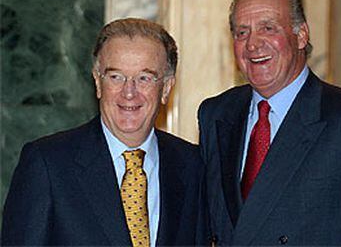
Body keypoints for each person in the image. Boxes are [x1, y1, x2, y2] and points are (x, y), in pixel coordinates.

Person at [198, 0, 341, 246]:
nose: (252, 44)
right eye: (242, 32)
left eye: (268, 27)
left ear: (301, 35)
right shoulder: (216, 114)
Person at [2, 18, 206, 246]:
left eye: (144, 78)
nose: (129, 92)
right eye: (116, 77)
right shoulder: (48, 164)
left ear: (166, 87)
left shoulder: (193, 166)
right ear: (98, 83)